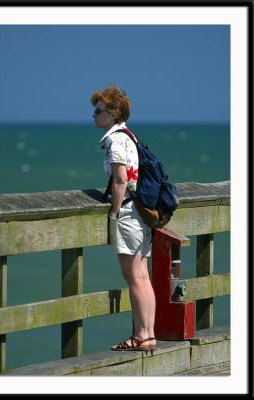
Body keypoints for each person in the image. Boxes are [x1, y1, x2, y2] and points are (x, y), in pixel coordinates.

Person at [90, 85, 157, 352]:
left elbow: (120, 179)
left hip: (129, 213)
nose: (93, 115)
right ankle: (149, 335)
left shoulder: (115, 140)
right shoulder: (129, 136)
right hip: (141, 214)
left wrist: (114, 213)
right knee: (142, 277)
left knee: (135, 278)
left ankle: (141, 335)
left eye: (98, 110)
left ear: (113, 112)